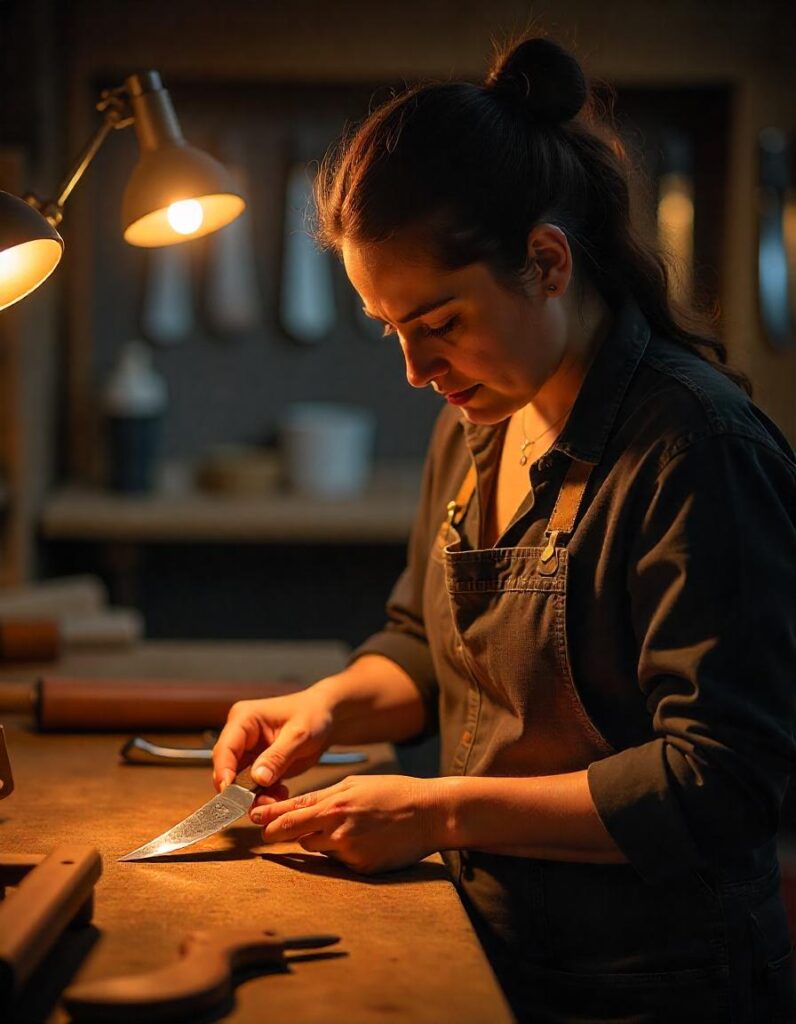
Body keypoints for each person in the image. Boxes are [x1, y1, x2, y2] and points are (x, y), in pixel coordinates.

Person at [213, 37, 796, 1022]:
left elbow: (720, 779)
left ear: (545, 260)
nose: (414, 368)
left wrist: (436, 807)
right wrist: (328, 706)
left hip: (654, 985)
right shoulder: (478, 417)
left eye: (436, 321)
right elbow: (423, 642)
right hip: (493, 945)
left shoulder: (695, 452)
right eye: (389, 328)